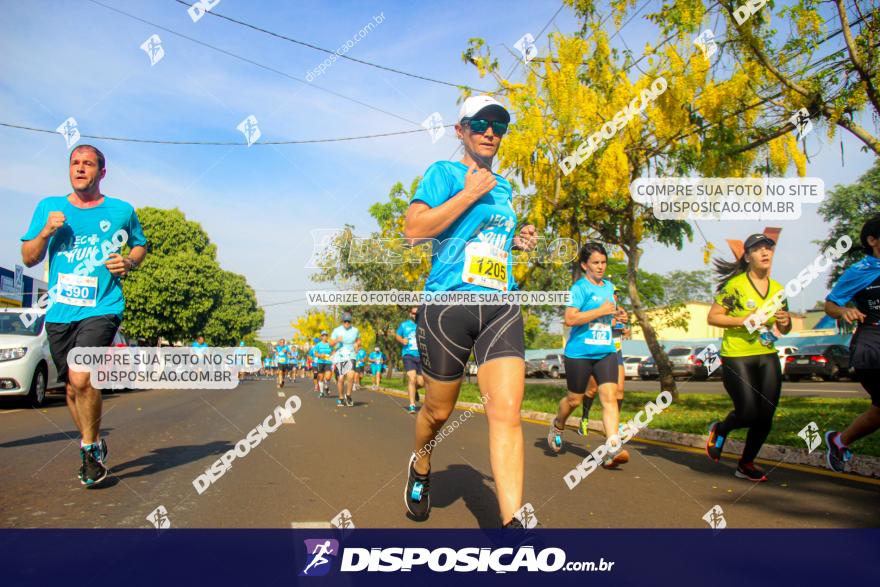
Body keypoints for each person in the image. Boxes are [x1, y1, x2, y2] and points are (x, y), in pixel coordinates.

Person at [402, 95, 537, 526]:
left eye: (499, 126)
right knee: (438, 412)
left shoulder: (506, 188)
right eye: (479, 124)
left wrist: (514, 241)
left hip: (500, 304)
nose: (490, 133)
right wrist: (467, 194)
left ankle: (512, 524)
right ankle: (421, 464)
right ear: (460, 131)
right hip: (448, 306)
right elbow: (414, 230)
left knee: (506, 411)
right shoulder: (444, 173)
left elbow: (480, 238)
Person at [20, 144, 147, 487]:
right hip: (61, 310)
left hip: (103, 306)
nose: (80, 169)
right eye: (75, 163)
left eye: (88, 164)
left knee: (81, 378)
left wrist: (130, 262)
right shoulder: (50, 208)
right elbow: (29, 257)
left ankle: (89, 451)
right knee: (72, 390)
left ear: (101, 172)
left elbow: (140, 244)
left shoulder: (121, 211)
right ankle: (91, 443)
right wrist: (46, 232)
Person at [706, 233, 792, 482]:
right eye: (758, 249)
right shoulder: (736, 286)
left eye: (768, 249)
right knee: (748, 411)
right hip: (737, 355)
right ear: (747, 256)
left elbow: (783, 329)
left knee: (766, 414)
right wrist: (743, 320)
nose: (765, 253)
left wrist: (785, 322)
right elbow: (713, 317)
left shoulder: (778, 290)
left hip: (766, 354)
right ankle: (720, 429)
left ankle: (746, 464)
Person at [548, 243, 630, 469]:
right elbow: (570, 319)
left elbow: (609, 317)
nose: (600, 267)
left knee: (609, 397)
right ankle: (558, 424)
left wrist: (619, 320)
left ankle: (613, 448)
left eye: (603, 262)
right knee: (575, 399)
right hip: (579, 353)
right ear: (585, 265)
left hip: (605, 351)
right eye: (595, 263)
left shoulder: (610, 287)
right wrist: (601, 312)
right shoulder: (578, 289)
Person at [824, 215, 880, 471]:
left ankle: (839, 440)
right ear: (872, 240)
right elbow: (830, 304)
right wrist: (843, 311)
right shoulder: (860, 272)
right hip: (871, 345)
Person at [577, 290, 629, 437]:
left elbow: (627, 332)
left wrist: (625, 328)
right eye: (612, 293)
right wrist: (610, 322)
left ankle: (615, 424)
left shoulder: (621, 311)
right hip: (599, 352)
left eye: (617, 294)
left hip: (616, 352)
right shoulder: (596, 309)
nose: (615, 296)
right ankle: (584, 418)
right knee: (592, 390)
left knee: (619, 389)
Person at [396, 307, 425, 414]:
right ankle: (412, 405)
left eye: (417, 313)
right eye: (413, 313)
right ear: (410, 314)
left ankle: (414, 389)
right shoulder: (404, 325)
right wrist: (402, 340)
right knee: (412, 378)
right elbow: (397, 335)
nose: (415, 315)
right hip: (408, 355)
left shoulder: (423, 324)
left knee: (421, 382)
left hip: (421, 356)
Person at [330, 312, 360, 407]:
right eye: (345, 321)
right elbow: (330, 344)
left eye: (348, 321)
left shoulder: (355, 330)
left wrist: (357, 345)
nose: (347, 323)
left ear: (351, 321)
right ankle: (340, 398)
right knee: (341, 378)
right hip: (341, 356)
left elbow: (359, 340)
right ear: (342, 321)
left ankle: (348, 395)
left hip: (351, 355)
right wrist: (336, 340)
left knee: (351, 376)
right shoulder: (337, 330)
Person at [313, 331, 334, 397]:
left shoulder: (330, 344)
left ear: (327, 336)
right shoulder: (318, 345)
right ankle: (321, 392)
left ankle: (326, 387)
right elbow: (315, 353)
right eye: (323, 335)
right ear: (321, 337)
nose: (325, 337)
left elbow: (333, 352)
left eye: (326, 335)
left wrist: (332, 356)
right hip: (320, 362)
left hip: (328, 362)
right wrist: (320, 355)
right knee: (321, 377)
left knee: (328, 377)